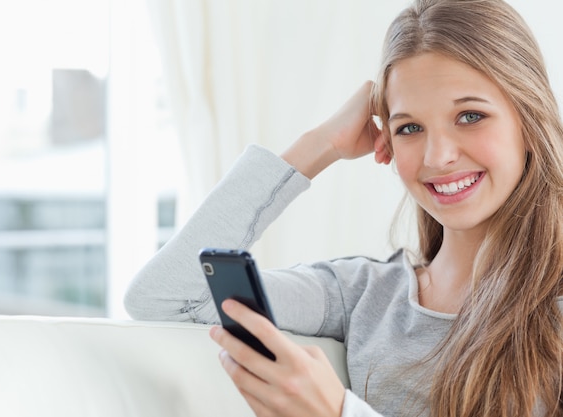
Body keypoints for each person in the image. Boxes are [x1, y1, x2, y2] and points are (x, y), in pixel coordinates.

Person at [124, 0, 563, 415]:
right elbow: (167, 296)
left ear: (529, 118)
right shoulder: (362, 295)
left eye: (470, 116)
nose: (437, 156)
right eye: (409, 127)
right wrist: (320, 145)